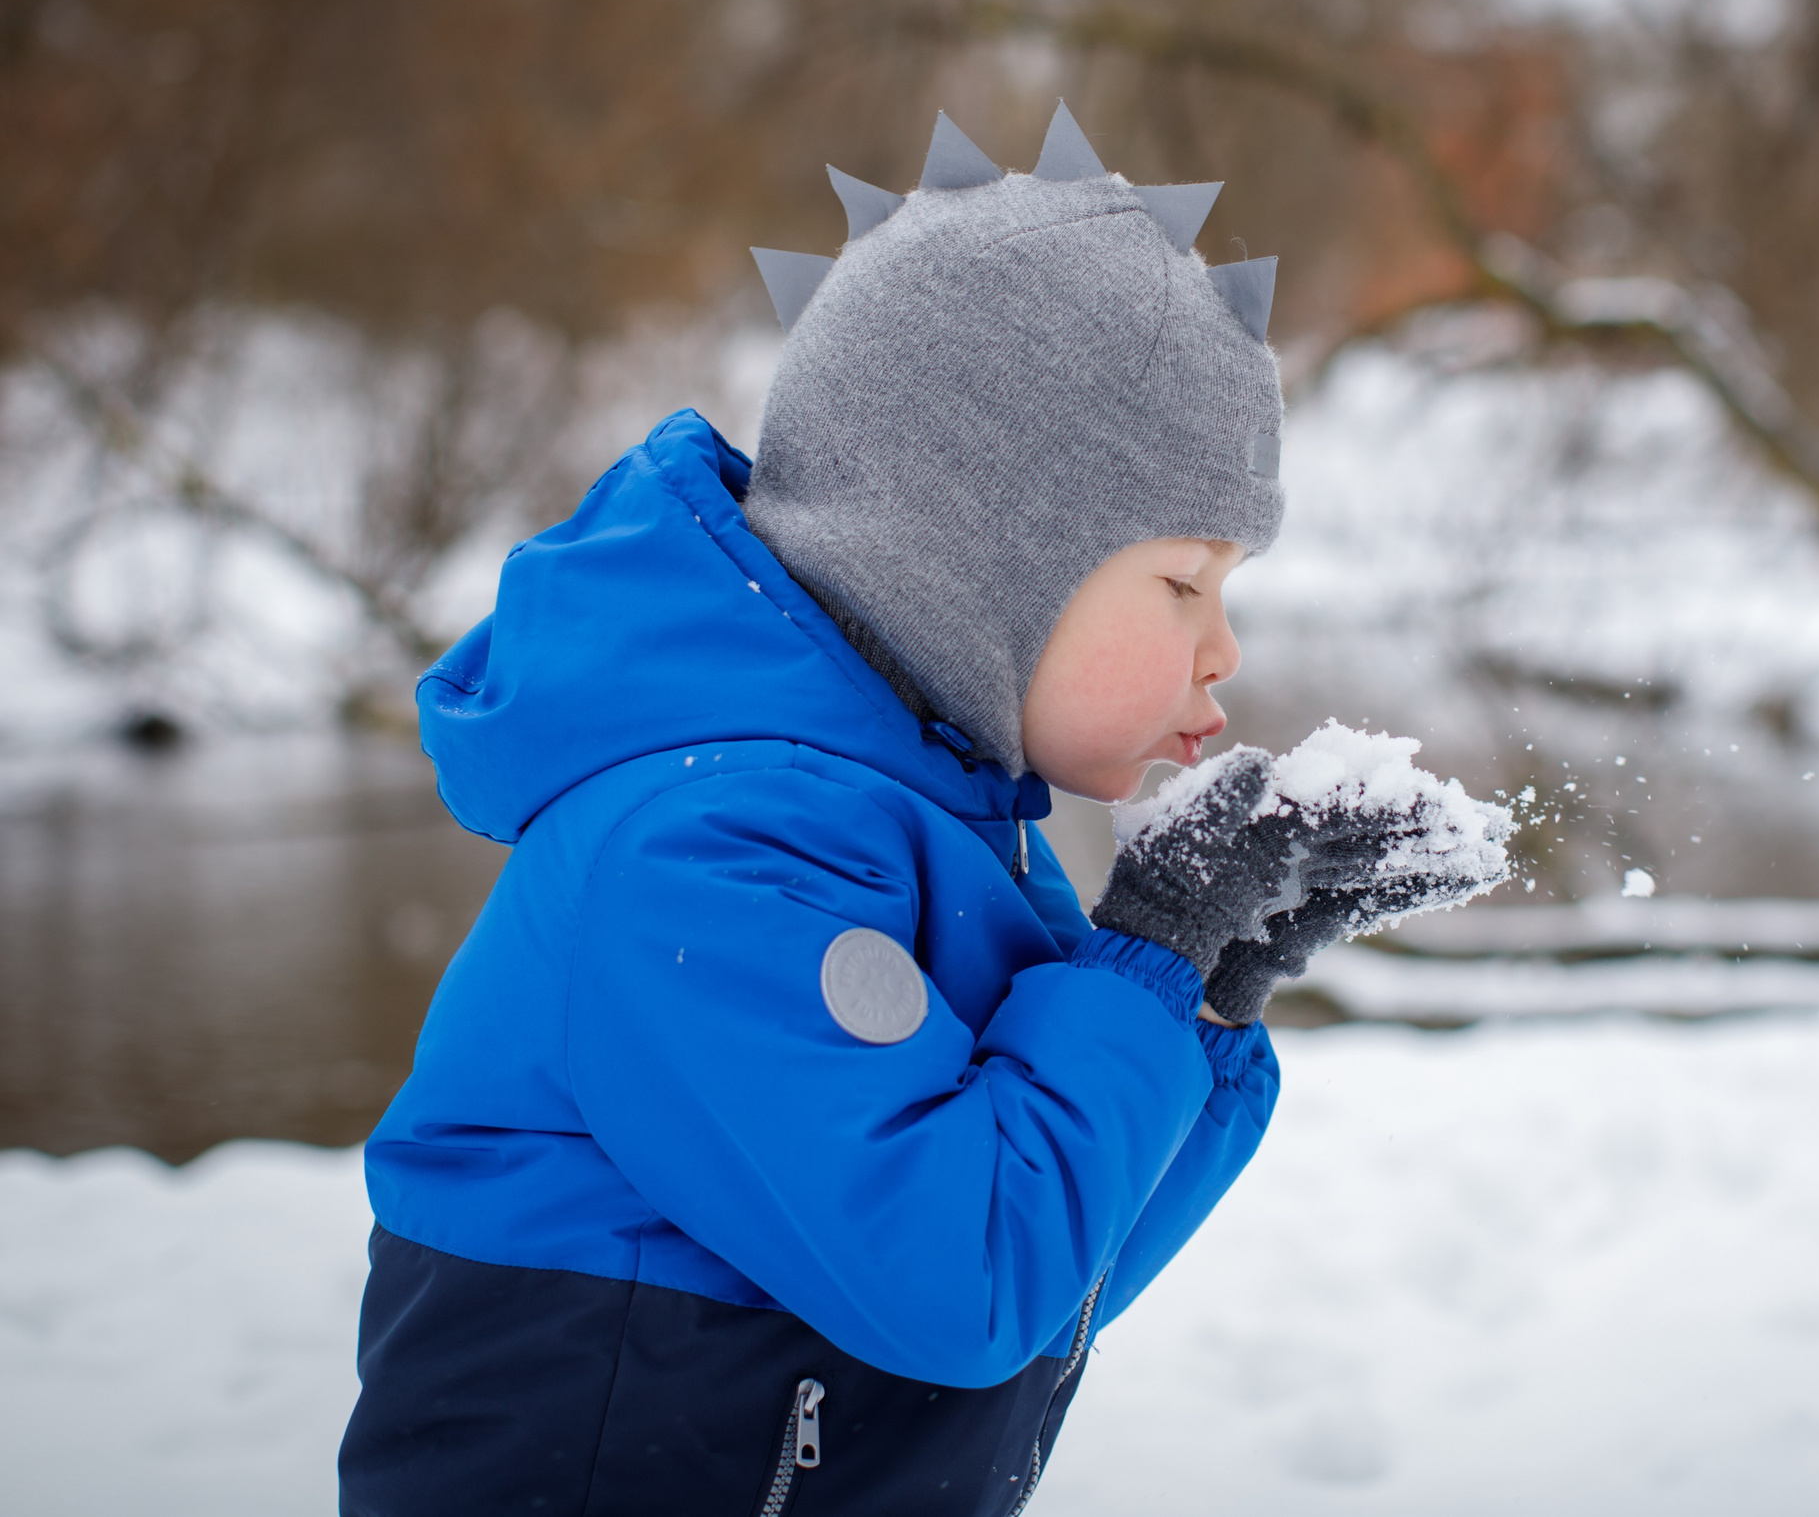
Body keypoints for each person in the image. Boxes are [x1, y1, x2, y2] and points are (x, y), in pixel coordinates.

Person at [338, 103, 1505, 1516]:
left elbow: (1058, 1270)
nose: (1223, 650)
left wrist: (1204, 996)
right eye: (1181, 584)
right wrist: (1150, 943)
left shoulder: (945, 840)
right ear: (977, 559)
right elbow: (967, 1284)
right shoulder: (702, 860)